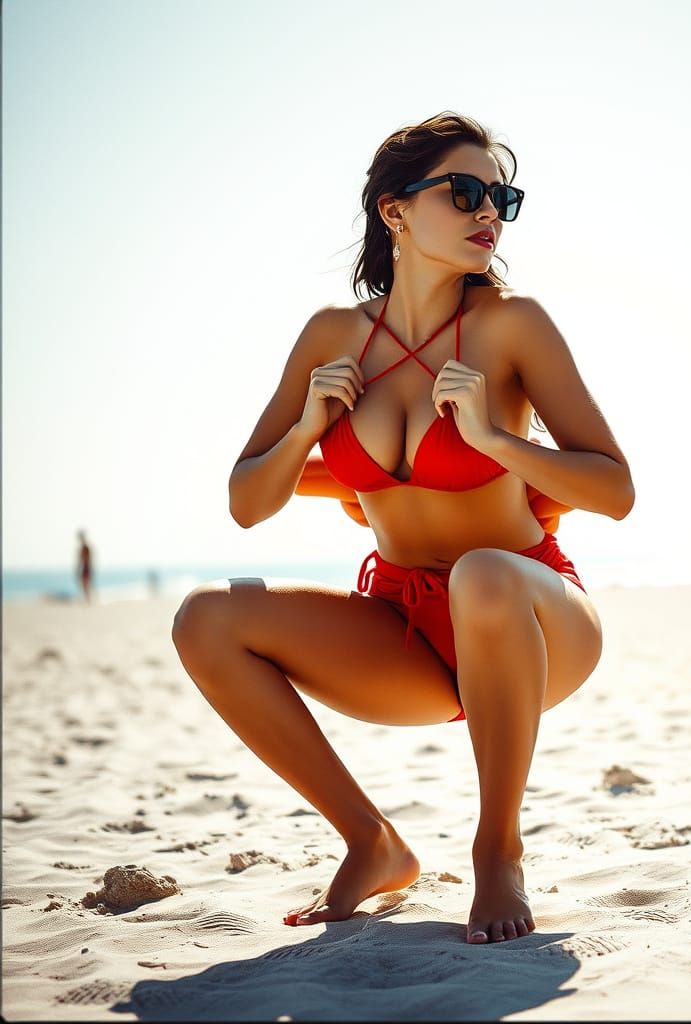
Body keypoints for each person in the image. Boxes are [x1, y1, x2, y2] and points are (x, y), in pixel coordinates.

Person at [171, 112, 634, 945]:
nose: (488, 210)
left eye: (501, 196)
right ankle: (371, 841)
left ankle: (498, 850)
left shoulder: (512, 326)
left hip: (533, 611)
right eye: (465, 192)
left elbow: (616, 490)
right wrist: (311, 421)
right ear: (394, 212)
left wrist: (496, 441)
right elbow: (247, 501)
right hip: (405, 629)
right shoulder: (332, 337)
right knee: (205, 617)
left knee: (482, 573)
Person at [76, 530, 93, 603]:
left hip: (86, 567)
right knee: (84, 585)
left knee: (85, 585)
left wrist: (80, 567)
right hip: (85, 567)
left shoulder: (85, 547)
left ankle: (88, 600)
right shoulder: (84, 547)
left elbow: (86, 559)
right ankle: (87, 600)